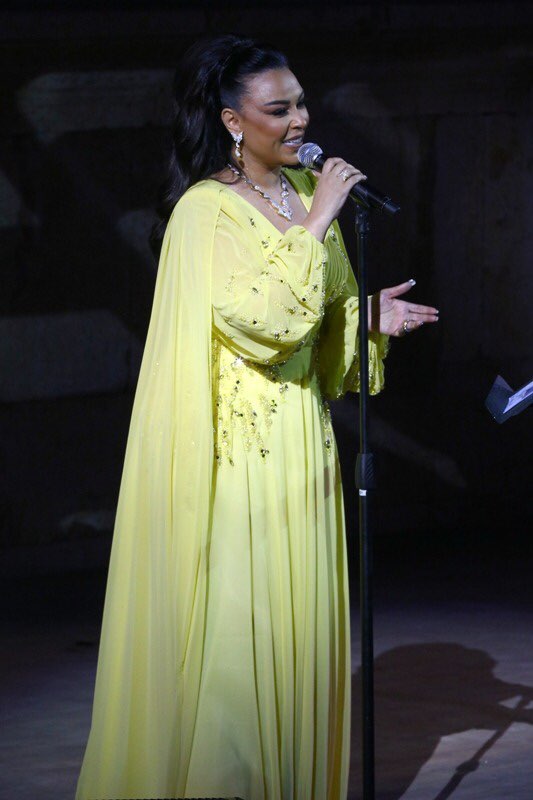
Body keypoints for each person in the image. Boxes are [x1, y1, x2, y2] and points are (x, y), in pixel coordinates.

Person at [75, 35, 438, 800]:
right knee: (238, 669)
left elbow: (313, 321)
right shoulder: (205, 212)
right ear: (232, 121)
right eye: (279, 108)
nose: (300, 120)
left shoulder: (304, 195)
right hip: (237, 464)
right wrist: (320, 218)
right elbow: (260, 324)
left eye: (302, 103)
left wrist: (365, 319)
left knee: (296, 640)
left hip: (305, 446)